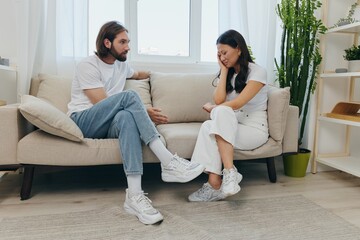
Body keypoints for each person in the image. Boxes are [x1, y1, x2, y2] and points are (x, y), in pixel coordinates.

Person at [67, 21, 204, 224]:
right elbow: (102, 103)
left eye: (128, 42)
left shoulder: (121, 65)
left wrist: (157, 75)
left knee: (126, 118)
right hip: (84, 120)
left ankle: (134, 196)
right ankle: (168, 161)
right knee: (130, 97)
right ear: (107, 43)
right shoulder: (88, 65)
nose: (128, 47)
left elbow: (138, 74)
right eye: (122, 42)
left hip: (109, 122)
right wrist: (144, 109)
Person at [188, 29, 269, 202]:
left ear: (238, 48)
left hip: (254, 130)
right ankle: (215, 183)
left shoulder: (258, 72)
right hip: (233, 126)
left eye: (224, 52)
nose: (222, 57)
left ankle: (228, 173)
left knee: (221, 112)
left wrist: (215, 108)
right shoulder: (230, 73)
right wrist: (223, 71)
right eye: (219, 54)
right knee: (208, 126)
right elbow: (218, 99)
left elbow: (238, 103)